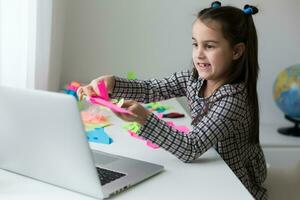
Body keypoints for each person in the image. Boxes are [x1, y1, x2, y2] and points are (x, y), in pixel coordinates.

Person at [77, 2, 267, 199]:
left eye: (209, 46)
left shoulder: (233, 100)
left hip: (233, 184)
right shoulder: (193, 80)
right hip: (209, 167)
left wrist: (143, 118)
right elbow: (151, 89)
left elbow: (190, 148)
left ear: (236, 51)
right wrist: (112, 84)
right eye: (195, 44)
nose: (199, 54)